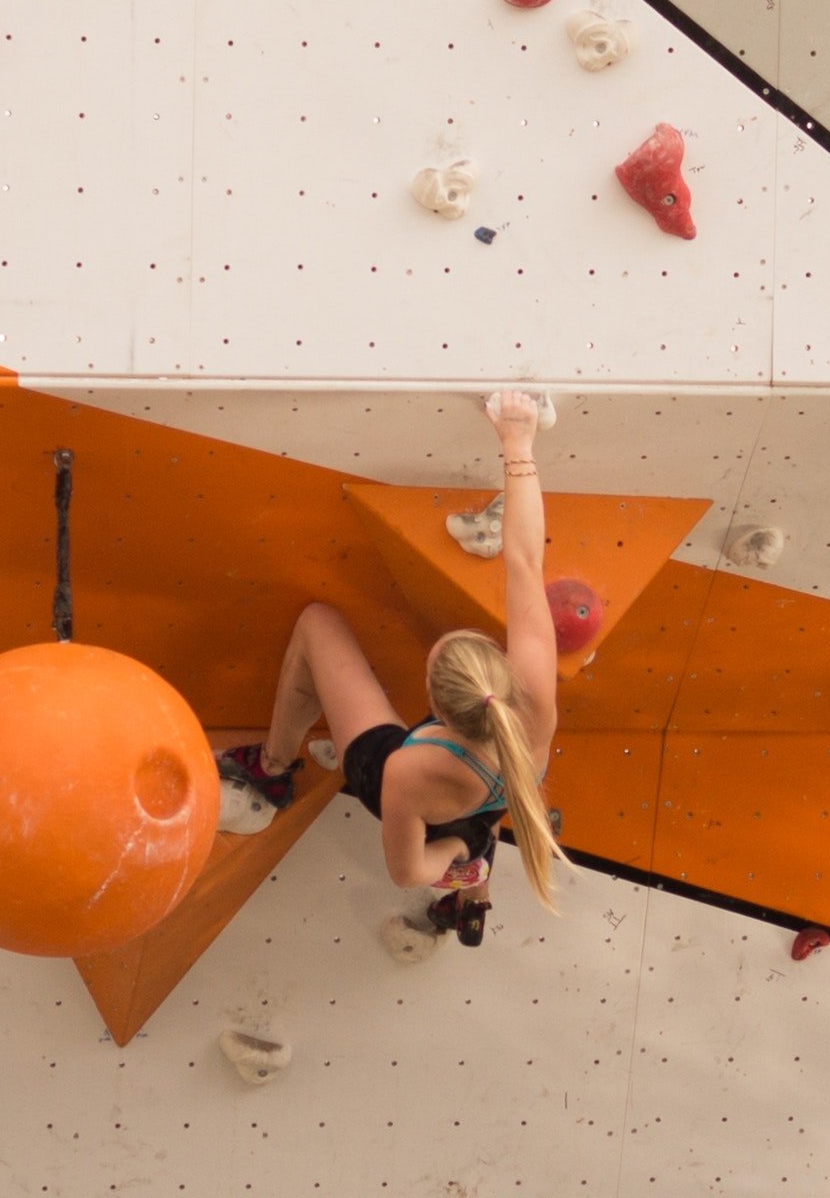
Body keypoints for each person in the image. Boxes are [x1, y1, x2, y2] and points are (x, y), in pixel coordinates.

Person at [217, 390, 568, 944]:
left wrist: (457, 854)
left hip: (435, 807)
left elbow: (407, 871)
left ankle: (272, 768)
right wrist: (518, 440)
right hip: (496, 789)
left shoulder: (409, 768)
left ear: (433, 706)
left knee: (316, 623)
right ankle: (470, 904)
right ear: (500, 673)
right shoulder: (534, 705)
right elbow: (525, 558)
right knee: (488, 811)